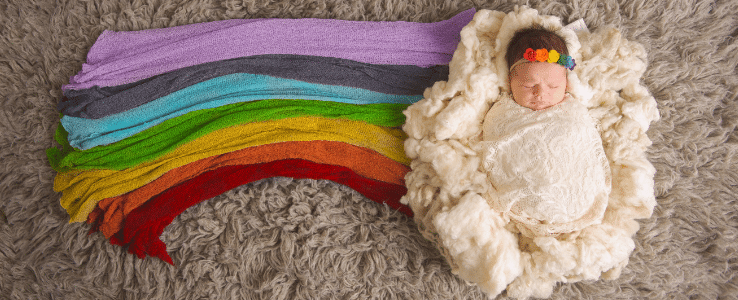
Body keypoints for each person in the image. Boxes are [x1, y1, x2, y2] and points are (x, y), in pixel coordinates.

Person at [479, 28, 611, 238]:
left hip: (575, 192)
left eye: (553, 85)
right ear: (510, 81)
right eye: (529, 85)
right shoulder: (502, 113)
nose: (541, 94)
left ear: (566, 84)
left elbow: (579, 134)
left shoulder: (571, 109)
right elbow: (497, 140)